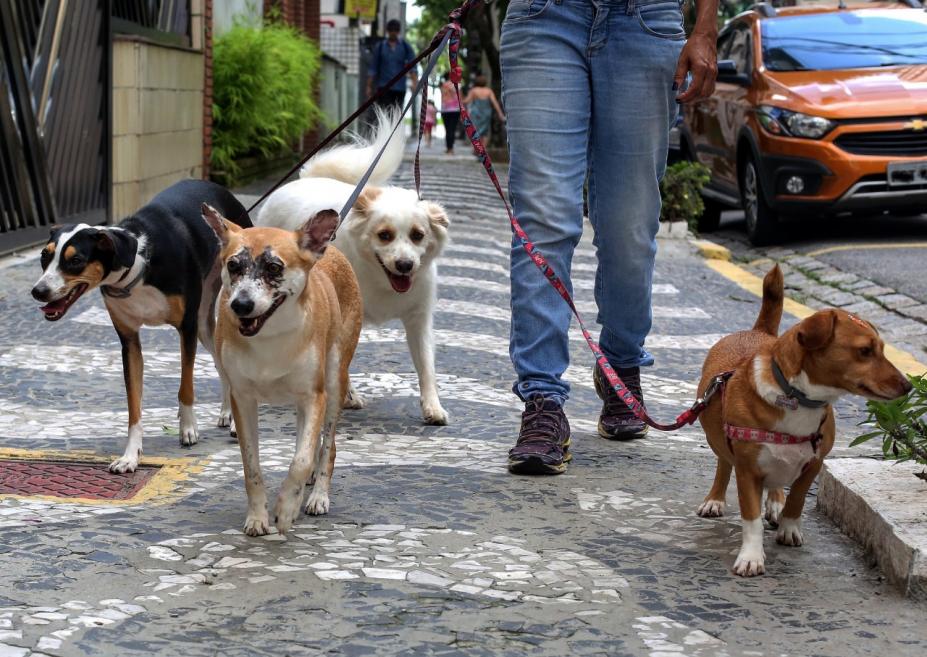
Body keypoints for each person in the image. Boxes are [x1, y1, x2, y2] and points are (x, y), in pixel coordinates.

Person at [502, 0, 719, 475]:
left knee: (630, 226)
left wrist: (705, 28)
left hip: (645, 19)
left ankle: (620, 364)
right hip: (543, 17)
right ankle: (542, 400)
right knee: (543, 220)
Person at [367, 19, 418, 110]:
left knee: (397, 114)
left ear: (398, 31)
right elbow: (373, 68)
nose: (393, 32)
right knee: (385, 113)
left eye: (396, 30)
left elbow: (412, 66)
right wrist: (369, 86)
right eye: (391, 30)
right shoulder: (380, 47)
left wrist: (414, 83)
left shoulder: (405, 46)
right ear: (388, 31)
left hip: (400, 88)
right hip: (383, 87)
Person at [462, 75, 505, 143]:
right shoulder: (489, 91)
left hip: (476, 113)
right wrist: (500, 114)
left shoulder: (474, 90)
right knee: (485, 132)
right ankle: (483, 149)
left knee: (475, 130)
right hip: (486, 113)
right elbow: (494, 103)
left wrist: (460, 99)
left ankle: (477, 148)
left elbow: (467, 101)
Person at [439, 72, 461, 155]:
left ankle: (448, 148)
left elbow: (443, 97)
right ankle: (451, 148)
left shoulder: (443, 85)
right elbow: (460, 98)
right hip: (455, 110)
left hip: (445, 110)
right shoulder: (457, 85)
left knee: (448, 130)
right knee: (453, 129)